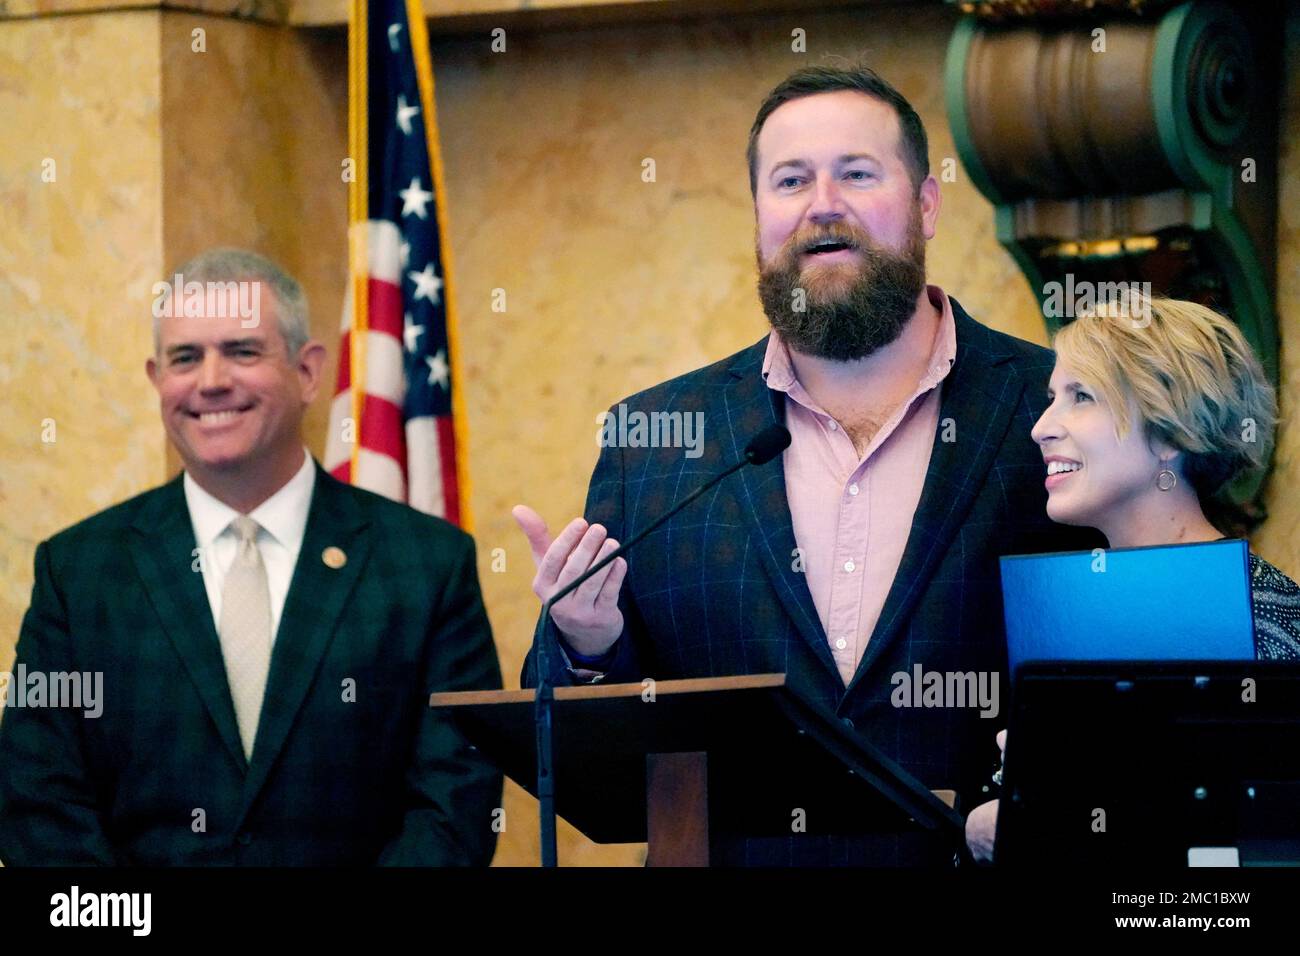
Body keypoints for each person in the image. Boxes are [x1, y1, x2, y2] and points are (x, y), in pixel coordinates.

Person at [513, 64, 1099, 866]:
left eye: (858, 173)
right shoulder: (652, 437)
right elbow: (588, 738)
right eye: (791, 180)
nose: (824, 202)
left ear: (927, 204)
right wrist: (586, 641)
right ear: (758, 216)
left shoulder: (1058, 408)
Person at [0, 248, 503, 866]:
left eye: (242, 351)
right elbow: (38, 805)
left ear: (308, 371)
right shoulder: (77, 574)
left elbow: (457, 802)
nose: (211, 380)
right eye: (186, 358)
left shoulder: (429, 566)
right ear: (158, 379)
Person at [964, 293, 1300, 863]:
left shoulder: (1270, 618)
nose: (1041, 428)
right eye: (1052, 398)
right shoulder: (1061, 610)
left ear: (1171, 433)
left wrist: (1046, 823)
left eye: (1082, 396)